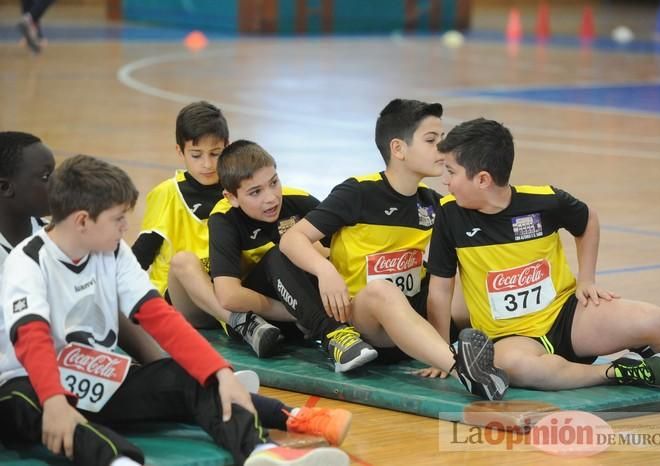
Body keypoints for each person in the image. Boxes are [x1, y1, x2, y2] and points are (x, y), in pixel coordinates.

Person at [0, 154, 349, 466]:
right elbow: (33, 338)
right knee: (45, 410)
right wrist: (54, 400)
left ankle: (260, 454)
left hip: (95, 376)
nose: (126, 228)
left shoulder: (113, 251)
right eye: (118, 219)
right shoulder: (28, 262)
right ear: (81, 222)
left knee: (193, 377)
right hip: (29, 383)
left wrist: (219, 372)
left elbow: (160, 317)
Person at [427, 117, 660, 396]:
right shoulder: (449, 215)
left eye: (451, 171)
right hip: (512, 338)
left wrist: (587, 280)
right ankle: (619, 371)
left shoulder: (544, 200)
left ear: (482, 179)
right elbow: (440, 289)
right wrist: (440, 352)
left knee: (657, 322)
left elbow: (587, 219)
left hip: (569, 318)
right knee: (515, 366)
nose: (445, 181)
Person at [278, 99, 508, 399]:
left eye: (442, 138)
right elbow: (291, 239)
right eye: (431, 140)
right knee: (381, 291)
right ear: (398, 149)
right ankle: (462, 369)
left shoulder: (433, 203)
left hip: (411, 319)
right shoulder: (358, 192)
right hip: (365, 323)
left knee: (473, 282)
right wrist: (325, 270)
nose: (442, 148)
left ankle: (516, 349)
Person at [207, 139, 378, 370]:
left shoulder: (298, 200)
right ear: (232, 198)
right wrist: (299, 314)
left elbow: (342, 249)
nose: (271, 197)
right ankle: (334, 336)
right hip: (267, 319)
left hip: (308, 312)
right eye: (255, 192)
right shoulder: (223, 220)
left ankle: (341, 329)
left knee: (314, 253)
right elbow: (229, 296)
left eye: (274, 182)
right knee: (282, 252)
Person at [131, 101, 232, 332]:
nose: (207, 164)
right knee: (185, 262)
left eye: (215, 153)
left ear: (228, 147)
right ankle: (240, 323)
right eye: (196, 155)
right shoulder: (167, 193)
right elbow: (141, 255)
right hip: (184, 301)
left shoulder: (238, 189)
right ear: (180, 151)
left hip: (228, 291)